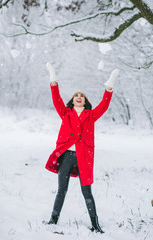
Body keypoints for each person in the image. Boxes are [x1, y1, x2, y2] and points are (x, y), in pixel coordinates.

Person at [44, 62, 119, 233]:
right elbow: (56, 100)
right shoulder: (65, 113)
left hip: (84, 156)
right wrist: (53, 80)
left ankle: (95, 224)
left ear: (85, 101)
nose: (79, 96)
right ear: (73, 100)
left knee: (87, 191)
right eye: (76, 95)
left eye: (82, 96)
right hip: (66, 156)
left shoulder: (91, 115)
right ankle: (53, 220)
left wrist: (110, 85)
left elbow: (104, 105)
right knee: (61, 190)